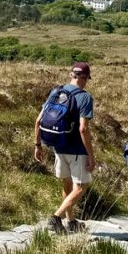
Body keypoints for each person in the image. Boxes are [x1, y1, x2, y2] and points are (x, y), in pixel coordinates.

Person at [35, 61, 95, 233]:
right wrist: (91, 156)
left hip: (58, 146)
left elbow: (38, 121)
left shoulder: (56, 92)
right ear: (85, 78)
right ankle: (56, 218)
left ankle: (71, 222)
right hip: (76, 150)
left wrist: (37, 145)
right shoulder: (85, 98)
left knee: (67, 185)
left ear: (71, 75)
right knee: (80, 187)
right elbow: (83, 129)